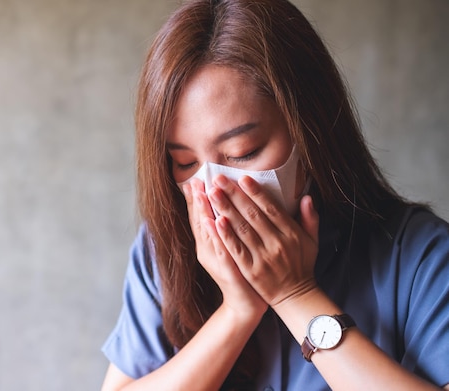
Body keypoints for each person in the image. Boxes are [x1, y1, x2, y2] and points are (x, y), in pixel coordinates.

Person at [101, 0, 449, 390]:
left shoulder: (420, 256)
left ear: (308, 126)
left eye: (243, 153)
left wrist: (294, 293)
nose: (215, 188)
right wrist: (236, 313)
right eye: (185, 163)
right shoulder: (163, 248)